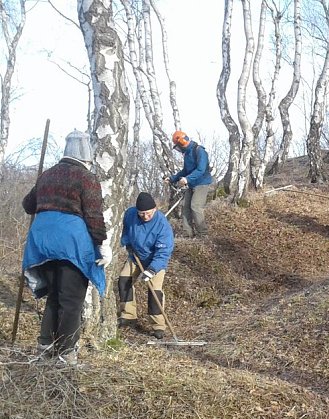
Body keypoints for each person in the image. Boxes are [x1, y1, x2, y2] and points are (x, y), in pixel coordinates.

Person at [21, 130, 110, 366]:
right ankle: (66, 353)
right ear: (87, 154)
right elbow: (93, 214)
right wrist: (102, 243)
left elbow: (28, 205)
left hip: (42, 242)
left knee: (54, 296)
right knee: (71, 300)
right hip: (71, 242)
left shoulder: (47, 175)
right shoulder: (86, 177)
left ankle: (45, 346)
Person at [117, 192, 175, 339]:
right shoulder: (130, 214)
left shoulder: (162, 225)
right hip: (136, 257)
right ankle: (128, 315)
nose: (145, 216)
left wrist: (152, 269)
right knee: (124, 280)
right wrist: (126, 242)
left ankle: (158, 325)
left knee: (154, 291)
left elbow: (163, 252)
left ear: (154, 209)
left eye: (148, 213)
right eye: (141, 213)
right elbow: (125, 229)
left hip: (155, 261)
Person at [166, 130, 212, 238]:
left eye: (178, 146)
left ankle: (203, 235)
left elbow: (201, 169)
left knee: (195, 206)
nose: (178, 149)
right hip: (191, 184)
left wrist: (187, 179)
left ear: (182, 143)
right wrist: (172, 178)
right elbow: (185, 170)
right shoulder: (187, 154)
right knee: (185, 207)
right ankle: (188, 234)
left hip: (202, 183)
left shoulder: (199, 151)